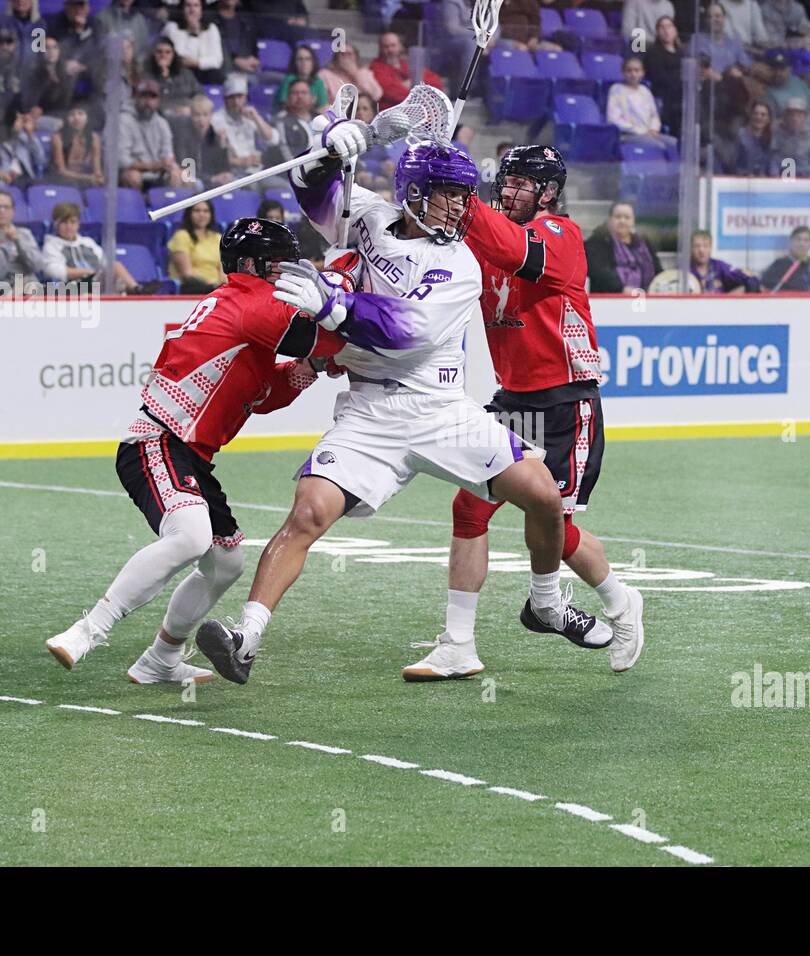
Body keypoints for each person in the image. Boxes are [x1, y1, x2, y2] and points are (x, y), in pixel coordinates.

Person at [196, 134, 605, 685]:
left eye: (465, 195)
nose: (462, 207)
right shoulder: (368, 216)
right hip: (369, 414)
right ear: (413, 192)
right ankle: (246, 636)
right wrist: (328, 146)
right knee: (306, 514)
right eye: (448, 195)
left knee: (544, 496)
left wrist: (335, 305)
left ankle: (548, 602)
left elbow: (407, 333)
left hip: (441, 411)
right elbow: (315, 193)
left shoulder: (461, 262)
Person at [43, 218, 353, 683]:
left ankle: (161, 660)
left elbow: (265, 396)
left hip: (187, 452)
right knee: (190, 537)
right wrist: (345, 282)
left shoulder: (245, 308)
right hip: (159, 439)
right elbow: (329, 336)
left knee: (226, 562)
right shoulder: (253, 301)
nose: (288, 273)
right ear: (252, 264)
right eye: (281, 264)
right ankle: (88, 631)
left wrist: (309, 366)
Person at [421, 143, 643, 680]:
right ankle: (458, 644)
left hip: (567, 399)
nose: (511, 189)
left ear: (547, 193)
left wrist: (463, 201)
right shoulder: (483, 232)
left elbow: (518, 252)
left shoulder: (561, 235)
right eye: (508, 180)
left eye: (523, 183)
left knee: (552, 527)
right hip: (513, 400)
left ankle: (615, 602)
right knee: (469, 508)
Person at [42, 201, 147, 293]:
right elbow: (56, 272)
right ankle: (131, 290)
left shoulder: (88, 242)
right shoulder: (51, 246)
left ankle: (136, 289)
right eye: (64, 222)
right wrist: (89, 272)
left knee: (115, 267)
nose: (69, 226)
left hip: (96, 281)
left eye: (73, 222)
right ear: (56, 224)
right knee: (113, 275)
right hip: (72, 287)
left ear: (78, 224)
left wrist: (96, 274)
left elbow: (105, 263)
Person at [119, 79, 184, 189]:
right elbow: (122, 161)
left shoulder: (162, 123)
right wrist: (151, 166)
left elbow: (167, 154)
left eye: (153, 97)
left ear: (159, 100)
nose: (148, 101)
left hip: (159, 173)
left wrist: (171, 167)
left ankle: (174, 205)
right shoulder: (123, 120)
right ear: (135, 98)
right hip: (132, 172)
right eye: (144, 96)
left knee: (183, 176)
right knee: (133, 177)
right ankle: (137, 205)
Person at [0, 190, 46, 287]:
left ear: (13, 211)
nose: (2, 211)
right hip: (1, 286)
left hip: (29, 284)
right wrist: (6, 244)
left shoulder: (24, 233)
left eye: (6, 207)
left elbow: (37, 266)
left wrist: (18, 241)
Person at [606, 56, 678, 155]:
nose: (633, 74)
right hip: (628, 135)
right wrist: (640, 131)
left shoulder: (645, 90)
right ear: (623, 73)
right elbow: (614, 120)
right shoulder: (616, 90)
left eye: (636, 71)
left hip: (649, 133)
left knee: (674, 143)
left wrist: (654, 129)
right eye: (629, 71)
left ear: (642, 73)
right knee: (658, 146)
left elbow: (654, 115)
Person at [584, 201, 659, 293]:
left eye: (627, 217)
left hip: (646, 299)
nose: (622, 221)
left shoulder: (644, 243)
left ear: (633, 221)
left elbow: (658, 270)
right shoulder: (597, 242)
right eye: (618, 217)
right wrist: (623, 289)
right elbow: (599, 273)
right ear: (610, 220)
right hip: (609, 299)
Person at [211, 73, 276, 177]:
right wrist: (240, 161)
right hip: (234, 171)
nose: (236, 102)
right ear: (224, 99)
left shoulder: (251, 116)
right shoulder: (216, 119)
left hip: (258, 170)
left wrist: (256, 119)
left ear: (245, 97)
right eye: (231, 97)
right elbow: (219, 153)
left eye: (239, 96)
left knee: (281, 187)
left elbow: (272, 140)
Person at [370, 31, 443, 111]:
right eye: (386, 46)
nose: (390, 50)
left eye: (393, 45)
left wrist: (412, 83)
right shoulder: (376, 67)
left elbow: (436, 82)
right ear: (380, 48)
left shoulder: (406, 65)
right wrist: (419, 88)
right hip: (392, 113)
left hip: (416, 110)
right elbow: (392, 92)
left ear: (400, 46)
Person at [167, 198, 223, 293]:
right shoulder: (181, 236)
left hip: (217, 289)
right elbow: (187, 274)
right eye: (197, 211)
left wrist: (222, 285)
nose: (202, 214)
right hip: (193, 287)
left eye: (206, 211)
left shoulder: (217, 237)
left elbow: (224, 272)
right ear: (189, 214)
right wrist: (213, 286)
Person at [162, 0, 224, 85]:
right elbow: (174, 54)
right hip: (179, 71)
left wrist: (197, 63)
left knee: (215, 75)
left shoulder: (211, 29)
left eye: (196, 6)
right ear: (182, 9)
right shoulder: (171, 28)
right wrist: (191, 33)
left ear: (201, 9)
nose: (192, 10)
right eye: (188, 5)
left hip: (204, 72)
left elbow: (217, 60)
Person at [142, 35, 202, 119]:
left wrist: (191, 109)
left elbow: (200, 96)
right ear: (154, 55)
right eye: (159, 52)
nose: (163, 55)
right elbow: (146, 102)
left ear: (173, 55)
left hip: (187, 116)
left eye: (168, 52)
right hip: (159, 119)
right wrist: (162, 75)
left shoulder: (186, 74)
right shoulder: (146, 76)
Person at [50, 102, 104, 187]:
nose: (76, 118)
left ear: (88, 118)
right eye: (72, 115)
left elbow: (97, 169)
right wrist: (88, 178)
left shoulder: (94, 138)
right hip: (63, 180)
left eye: (80, 114)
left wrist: (98, 177)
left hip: (86, 178)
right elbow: (61, 171)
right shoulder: (58, 138)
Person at [689, 229, 758, 292]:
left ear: (710, 248)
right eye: (697, 246)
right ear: (691, 249)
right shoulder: (685, 271)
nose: (701, 250)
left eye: (706, 246)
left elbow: (750, 279)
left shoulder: (719, 266)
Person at [318, 42, 381, 107]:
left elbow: (377, 95)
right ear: (336, 57)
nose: (346, 58)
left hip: (361, 113)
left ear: (356, 57)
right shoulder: (325, 74)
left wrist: (355, 75)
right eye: (343, 54)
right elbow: (322, 101)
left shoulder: (364, 73)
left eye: (349, 54)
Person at [276, 44, 328, 111]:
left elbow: (323, 107)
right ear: (294, 62)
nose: (304, 63)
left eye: (307, 59)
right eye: (300, 59)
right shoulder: (288, 80)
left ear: (313, 62)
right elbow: (283, 106)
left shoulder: (318, 82)